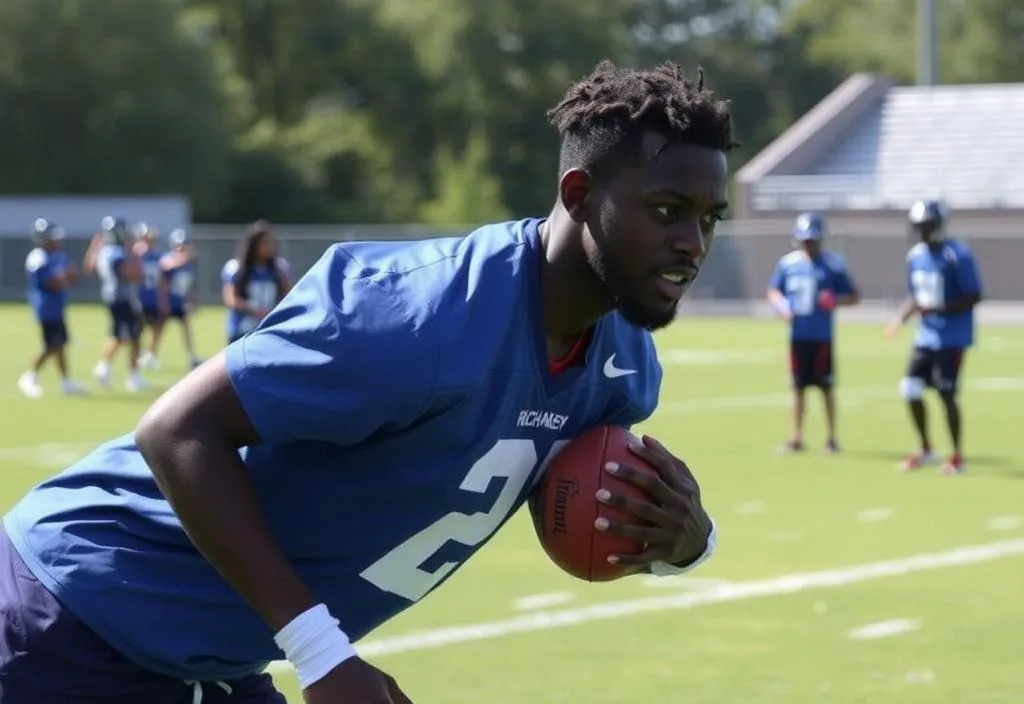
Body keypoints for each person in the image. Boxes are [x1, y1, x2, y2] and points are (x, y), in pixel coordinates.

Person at [0, 60, 733, 703]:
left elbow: (588, 507)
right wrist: (322, 653)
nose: (692, 244)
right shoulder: (420, 312)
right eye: (667, 211)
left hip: (211, 657)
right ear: (578, 194)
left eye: (709, 219)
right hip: (70, 613)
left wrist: (687, 545)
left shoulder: (625, 369)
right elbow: (175, 428)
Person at [885, 199, 982, 474]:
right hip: (925, 336)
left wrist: (937, 309)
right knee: (910, 388)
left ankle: (956, 455)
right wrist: (899, 319)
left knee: (946, 393)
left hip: (952, 336)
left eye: (926, 226)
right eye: (919, 227)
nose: (922, 232)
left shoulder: (957, 255)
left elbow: (974, 294)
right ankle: (926, 448)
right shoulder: (915, 256)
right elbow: (917, 296)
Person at [767, 213, 860, 454]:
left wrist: (835, 300)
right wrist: (782, 307)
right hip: (797, 336)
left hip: (821, 336)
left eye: (813, 240)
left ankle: (831, 437)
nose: (809, 245)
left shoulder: (832, 264)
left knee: (825, 387)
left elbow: (853, 295)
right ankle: (796, 437)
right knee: (797, 387)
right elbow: (774, 291)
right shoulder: (788, 264)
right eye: (805, 240)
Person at [17, 219, 88, 398]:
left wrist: (66, 277)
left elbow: (73, 278)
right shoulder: (38, 258)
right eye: (52, 238)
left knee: (61, 344)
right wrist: (65, 276)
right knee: (51, 344)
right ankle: (30, 376)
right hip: (45, 307)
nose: (57, 241)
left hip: (57, 306)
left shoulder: (58, 255)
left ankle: (65, 381)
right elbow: (52, 283)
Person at [83, 216, 147, 392]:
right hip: (123, 298)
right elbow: (134, 274)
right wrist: (135, 255)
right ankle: (123, 374)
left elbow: (90, 268)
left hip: (113, 297)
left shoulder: (105, 251)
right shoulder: (117, 253)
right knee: (128, 337)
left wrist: (94, 247)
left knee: (121, 335)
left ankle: (112, 370)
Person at [221, 220, 292, 344]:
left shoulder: (279, 268)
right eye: (265, 243)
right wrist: (254, 309)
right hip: (241, 331)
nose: (270, 246)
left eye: (271, 242)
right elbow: (230, 299)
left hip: (268, 330)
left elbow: (288, 297)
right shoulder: (236, 267)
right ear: (254, 245)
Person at [156, 228, 203, 369]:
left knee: (185, 328)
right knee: (158, 329)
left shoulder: (187, 264)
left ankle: (192, 355)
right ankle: (150, 354)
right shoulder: (169, 258)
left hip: (179, 301)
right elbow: (164, 277)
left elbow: (186, 285)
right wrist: (163, 301)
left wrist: (192, 300)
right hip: (168, 300)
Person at [134, 223, 171, 371]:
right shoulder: (135, 255)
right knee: (137, 331)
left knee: (157, 327)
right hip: (139, 297)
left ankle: (150, 354)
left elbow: (162, 280)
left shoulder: (158, 256)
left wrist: (163, 299)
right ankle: (135, 360)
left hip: (154, 297)